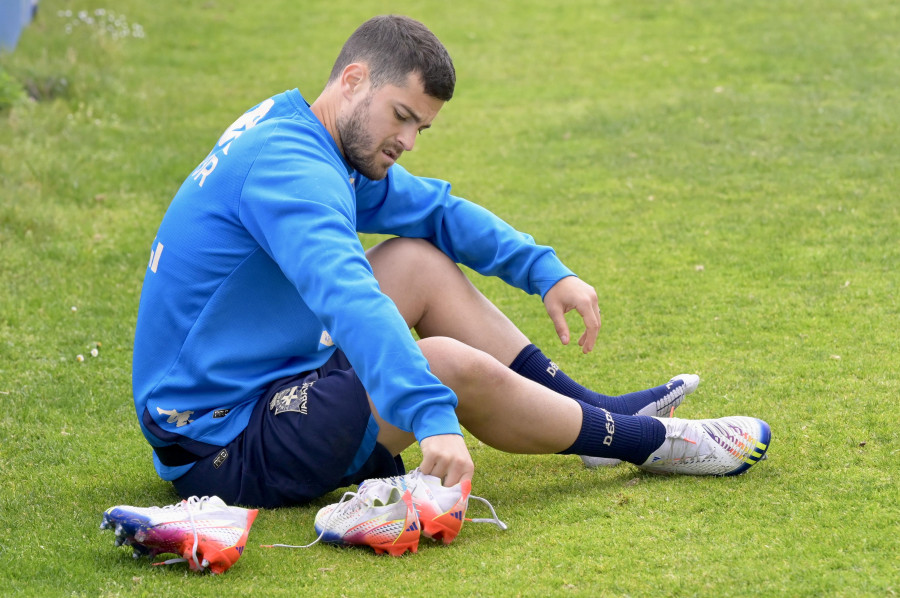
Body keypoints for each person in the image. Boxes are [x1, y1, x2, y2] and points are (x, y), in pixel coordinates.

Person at [132, 15, 770, 515]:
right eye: (402, 117)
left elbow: (433, 211)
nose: (407, 142)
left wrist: (545, 270)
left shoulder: (309, 132)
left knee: (416, 260)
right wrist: (431, 418)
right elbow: (349, 298)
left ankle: (596, 410)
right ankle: (651, 444)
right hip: (221, 444)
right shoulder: (293, 173)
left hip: (269, 378)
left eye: (421, 129)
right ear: (352, 80)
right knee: (442, 365)